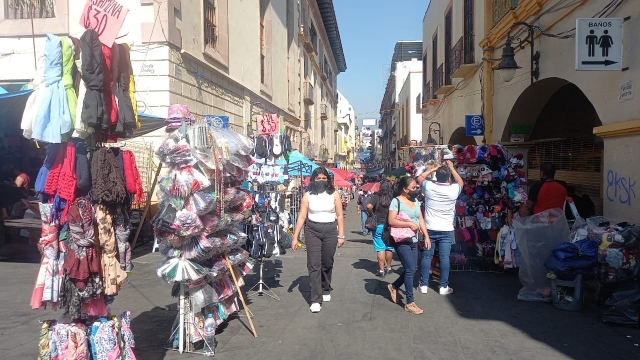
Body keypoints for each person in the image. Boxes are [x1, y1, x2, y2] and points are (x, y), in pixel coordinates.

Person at [292, 167, 345, 313]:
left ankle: (325, 287)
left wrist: (341, 235)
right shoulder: (307, 195)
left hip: (330, 230)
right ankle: (316, 299)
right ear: (313, 180)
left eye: (324, 178)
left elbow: (340, 215)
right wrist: (295, 237)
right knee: (314, 264)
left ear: (328, 179)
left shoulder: (334, 194)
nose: (321, 181)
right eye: (318, 178)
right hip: (312, 230)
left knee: (327, 262)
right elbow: (302, 217)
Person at [416, 160, 463, 295]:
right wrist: (452, 168)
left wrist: (432, 169)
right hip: (447, 229)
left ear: (436, 176)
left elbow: (419, 178)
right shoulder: (454, 189)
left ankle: (423, 285)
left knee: (427, 256)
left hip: (429, 228)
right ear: (449, 178)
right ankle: (443, 286)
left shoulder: (429, 186)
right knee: (444, 257)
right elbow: (461, 182)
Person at [386, 176, 430, 315]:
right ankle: (409, 303)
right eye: (413, 188)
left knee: (412, 268)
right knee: (410, 269)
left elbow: (420, 218)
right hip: (401, 239)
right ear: (404, 190)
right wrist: (409, 224)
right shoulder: (396, 201)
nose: (416, 190)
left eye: (416, 187)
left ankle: (394, 286)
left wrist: (426, 236)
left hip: (414, 239)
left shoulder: (415, 200)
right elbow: (391, 221)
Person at [365, 179, 394, 277]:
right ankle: (389, 268)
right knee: (389, 247)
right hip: (390, 226)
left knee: (380, 247)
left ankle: (381, 270)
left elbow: (369, 206)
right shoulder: (393, 199)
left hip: (378, 225)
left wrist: (372, 214)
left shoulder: (376, 197)